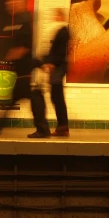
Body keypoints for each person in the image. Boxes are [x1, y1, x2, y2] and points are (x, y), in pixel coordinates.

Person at [0, 0, 50, 138]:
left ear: (20, 3)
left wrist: (13, 54)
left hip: (27, 71)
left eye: (12, 1)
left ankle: (42, 129)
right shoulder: (18, 20)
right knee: (27, 100)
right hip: (24, 70)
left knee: (34, 100)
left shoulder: (23, 20)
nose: (8, 4)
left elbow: (24, 46)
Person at [41, 8, 70, 137]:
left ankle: (63, 127)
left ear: (61, 17)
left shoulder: (62, 31)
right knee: (56, 97)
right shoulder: (60, 31)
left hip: (58, 67)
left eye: (56, 15)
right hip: (58, 67)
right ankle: (62, 127)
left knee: (57, 97)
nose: (54, 18)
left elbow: (59, 52)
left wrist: (50, 62)